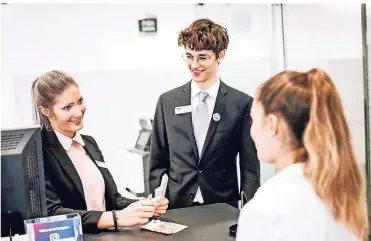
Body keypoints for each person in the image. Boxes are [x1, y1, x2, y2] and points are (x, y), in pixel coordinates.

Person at [236, 68, 369, 241]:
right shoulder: (343, 195)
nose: (251, 130)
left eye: (254, 120)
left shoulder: (265, 208)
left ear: (272, 125)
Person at [31, 70, 169, 233]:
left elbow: (113, 199)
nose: (78, 111)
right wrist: (117, 218)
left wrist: (143, 206)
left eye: (79, 101)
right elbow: (52, 214)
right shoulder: (37, 151)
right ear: (46, 111)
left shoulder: (88, 143)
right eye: (67, 107)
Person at [149, 18, 260, 209]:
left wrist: (249, 209)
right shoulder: (167, 102)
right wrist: (156, 202)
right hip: (177, 206)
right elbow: (157, 163)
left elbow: (250, 168)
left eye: (202, 57)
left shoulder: (240, 104)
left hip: (223, 206)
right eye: (189, 56)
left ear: (220, 55)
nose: (194, 65)